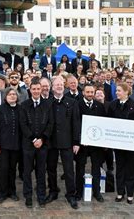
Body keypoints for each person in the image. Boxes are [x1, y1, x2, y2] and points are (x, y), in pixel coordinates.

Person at [45, 76, 79, 209]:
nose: (59, 87)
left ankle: (71, 194)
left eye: (61, 84)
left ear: (64, 86)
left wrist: (76, 142)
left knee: (69, 170)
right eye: (56, 85)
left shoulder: (72, 102)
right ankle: (53, 191)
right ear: (52, 87)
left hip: (67, 142)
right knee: (51, 168)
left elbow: (76, 123)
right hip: (51, 142)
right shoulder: (47, 102)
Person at [19, 78, 54, 208]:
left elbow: (51, 123)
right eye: (33, 89)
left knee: (41, 171)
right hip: (28, 144)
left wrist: (42, 139)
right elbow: (23, 124)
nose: (36, 91)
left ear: (41, 89)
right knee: (27, 172)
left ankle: (41, 196)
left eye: (38, 89)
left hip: (43, 144)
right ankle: (28, 196)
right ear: (30, 90)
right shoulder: (24, 105)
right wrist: (33, 139)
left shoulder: (48, 104)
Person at [108, 83, 134, 204]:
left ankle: (130, 194)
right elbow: (109, 123)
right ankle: (120, 193)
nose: (116, 92)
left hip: (131, 144)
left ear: (126, 92)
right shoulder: (113, 105)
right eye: (116, 90)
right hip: (118, 144)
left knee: (130, 169)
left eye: (118, 90)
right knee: (119, 169)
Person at [76, 84, 107, 202]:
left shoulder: (100, 106)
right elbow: (75, 123)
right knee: (80, 168)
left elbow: (103, 124)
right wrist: (78, 140)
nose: (90, 94)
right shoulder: (77, 105)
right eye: (87, 92)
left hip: (96, 144)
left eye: (92, 92)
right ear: (83, 92)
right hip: (82, 144)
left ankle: (96, 192)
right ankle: (78, 192)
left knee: (96, 168)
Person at [0, 88, 21, 203]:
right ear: (5, 96)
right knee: (3, 169)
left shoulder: (21, 109)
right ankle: (2, 193)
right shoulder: (0, 109)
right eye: (10, 94)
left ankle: (12, 191)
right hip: (3, 145)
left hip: (16, 145)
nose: (12, 96)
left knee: (12, 169)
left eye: (14, 94)